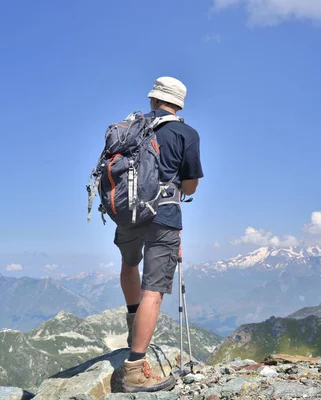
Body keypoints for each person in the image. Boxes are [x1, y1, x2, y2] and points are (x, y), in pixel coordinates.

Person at [115, 76, 203, 393]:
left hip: (128, 210)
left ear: (154, 99)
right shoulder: (185, 133)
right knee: (154, 289)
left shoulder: (132, 127)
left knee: (129, 264)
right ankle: (135, 369)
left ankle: (132, 324)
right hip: (163, 214)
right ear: (179, 104)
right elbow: (191, 185)